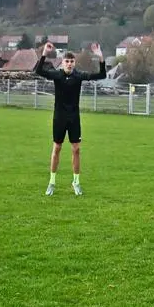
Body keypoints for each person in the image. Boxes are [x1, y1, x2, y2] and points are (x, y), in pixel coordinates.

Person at [33, 41, 107, 196]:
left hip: (74, 118)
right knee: (57, 148)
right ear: (63, 62)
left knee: (76, 149)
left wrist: (100, 57)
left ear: (74, 63)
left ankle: (76, 182)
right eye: (67, 61)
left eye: (72, 61)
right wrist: (45, 54)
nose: (69, 64)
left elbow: (102, 75)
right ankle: (52, 182)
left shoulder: (78, 76)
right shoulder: (57, 75)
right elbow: (38, 70)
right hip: (59, 117)